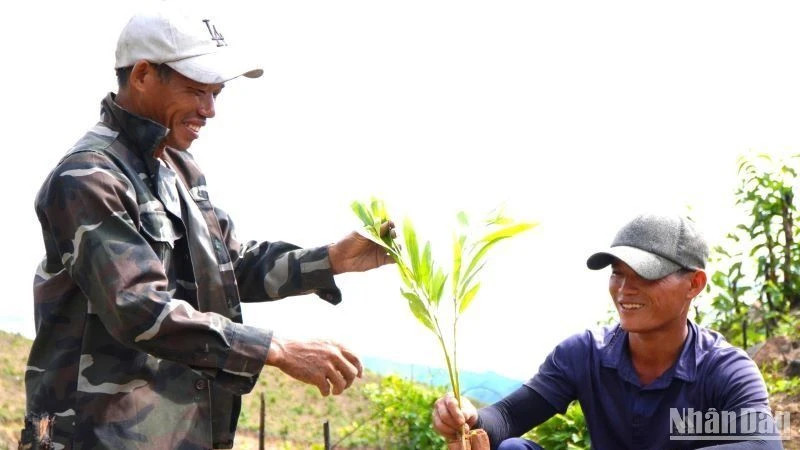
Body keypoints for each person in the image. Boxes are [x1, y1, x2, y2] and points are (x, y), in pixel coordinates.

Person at [22, 10, 394, 450]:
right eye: (197, 90)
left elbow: (229, 265)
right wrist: (275, 350)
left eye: (216, 93)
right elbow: (140, 308)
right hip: (96, 436)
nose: (209, 110)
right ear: (142, 75)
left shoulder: (176, 167)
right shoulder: (88, 177)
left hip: (176, 434)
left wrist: (331, 259)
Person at [433, 214, 784, 449]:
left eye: (645, 274)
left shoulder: (724, 370)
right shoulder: (585, 353)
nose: (625, 289)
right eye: (617, 273)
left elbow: (763, 442)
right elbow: (508, 417)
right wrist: (470, 418)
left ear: (694, 283)